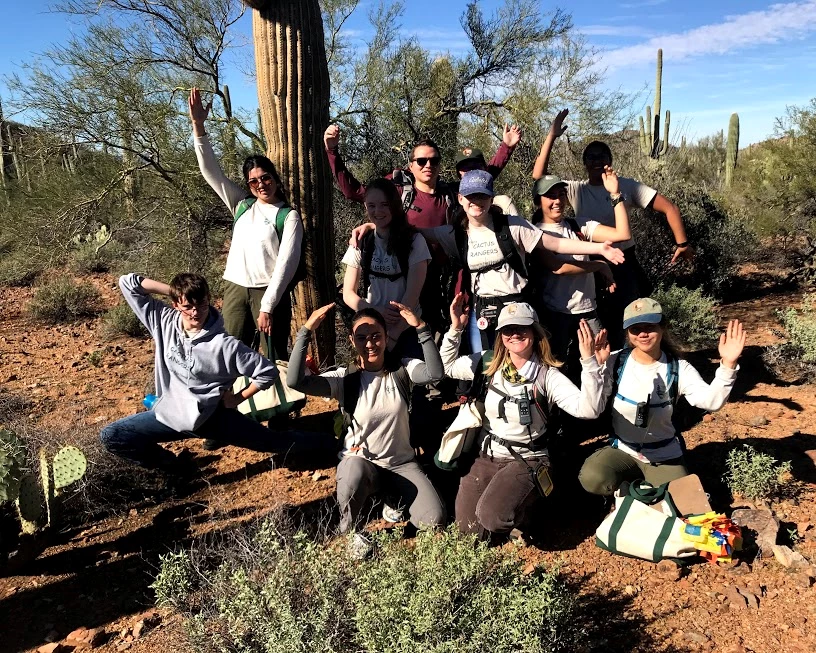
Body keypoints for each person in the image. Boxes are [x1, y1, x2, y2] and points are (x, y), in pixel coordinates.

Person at [350, 170, 626, 353]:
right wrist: (373, 224)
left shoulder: (513, 226)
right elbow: (408, 230)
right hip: (483, 311)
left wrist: (598, 248)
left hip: (516, 305)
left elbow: (553, 243)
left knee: (526, 365)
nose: (476, 202)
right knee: (484, 365)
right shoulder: (454, 233)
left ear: (491, 197)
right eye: (470, 196)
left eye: (482, 195)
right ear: (460, 199)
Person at [99, 273, 325, 491]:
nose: (196, 312)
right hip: (169, 415)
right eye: (188, 307)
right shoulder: (163, 321)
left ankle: (337, 445)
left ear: (209, 300)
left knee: (273, 443)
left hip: (212, 418)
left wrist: (238, 398)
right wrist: (177, 291)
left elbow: (267, 372)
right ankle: (177, 468)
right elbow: (128, 283)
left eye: (202, 304)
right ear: (176, 304)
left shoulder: (224, 345)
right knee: (113, 435)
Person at [440, 297, 608, 541]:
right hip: (486, 456)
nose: (514, 334)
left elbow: (589, 409)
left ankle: (529, 513)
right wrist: (456, 328)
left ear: (535, 332)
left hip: (527, 458)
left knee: (493, 518)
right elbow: (448, 366)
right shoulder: (487, 363)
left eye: (522, 328)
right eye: (508, 329)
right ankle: (505, 507)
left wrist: (590, 363)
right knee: (469, 534)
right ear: (500, 335)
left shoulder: (547, 375)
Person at [286, 302, 446, 556]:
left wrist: (421, 328)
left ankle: (391, 498)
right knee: (351, 468)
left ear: (385, 336)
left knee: (434, 518)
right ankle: (351, 530)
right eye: (362, 338)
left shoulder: (402, 369)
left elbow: (435, 373)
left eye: (375, 336)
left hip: (401, 463)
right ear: (352, 340)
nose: (369, 344)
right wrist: (306, 331)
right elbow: (296, 381)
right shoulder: (344, 379)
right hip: (362, 462)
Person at [324, 124, 519, 330]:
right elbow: (355, 191)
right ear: (410, 166)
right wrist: (332, 151)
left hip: (445, 276)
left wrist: (505, 148)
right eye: (421, 161)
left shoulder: (452, 194)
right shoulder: (399, 193)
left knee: (447, 328)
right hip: (410, 278)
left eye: (434, 160)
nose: (428, 165)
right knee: (412, 329)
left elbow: (482, 182)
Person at [533, 109, 694, 347]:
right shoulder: (576, 189)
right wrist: (552, 135)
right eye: (591, 157)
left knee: (627, 315)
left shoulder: (626, 186)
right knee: (596, 319)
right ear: (584, 163)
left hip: (622, 260)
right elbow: (539, 178)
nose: (597, 161)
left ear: (610, 160)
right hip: (591, 258)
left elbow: (669, 208)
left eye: (602, 156)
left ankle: (627, 364)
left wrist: (682, 243)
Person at [579, 298, 746, 496]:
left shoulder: (678, 368)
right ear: (628, 333)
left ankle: (642, 491)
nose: (642, 333)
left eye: (649, 326)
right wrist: (594, 367)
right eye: (635, 329)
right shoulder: (615, 361)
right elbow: (592, 406)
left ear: (662, 327)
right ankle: (631, 492)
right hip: (623, 450)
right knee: (593, 477)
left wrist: (728, 364)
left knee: (682, 504)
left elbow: (711, 402)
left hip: (663, 455)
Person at [189, 88, 302, 361]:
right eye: (253, 181)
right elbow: (210, 172)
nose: (261, 184)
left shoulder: (287, 216)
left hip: (269, 291)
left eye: (265, 178)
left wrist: (267, 306)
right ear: (248, 185)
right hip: (236, 289)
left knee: (275, 358)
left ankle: (281, 404)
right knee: (231, 354)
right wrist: (198, 126)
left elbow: (286, 266)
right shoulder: (242, 205)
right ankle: (235, 404)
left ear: (274, 177)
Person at [530, 171, 630, 383]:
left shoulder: (579, 226)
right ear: (538, 202)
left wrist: (616, 195)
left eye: (560, 195)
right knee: (555, 365)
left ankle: (599, 408)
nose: (557, 201)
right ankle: (555, 411)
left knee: (600, 360)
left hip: (587, 309)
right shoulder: (534, 233)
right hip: (556, 313)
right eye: (550, 196)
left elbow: (622, 234)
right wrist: (598, 265)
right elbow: (559, 267)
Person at [340, 178, 429, 354]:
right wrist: (374, 310)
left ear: (394, 205)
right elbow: (348, 294)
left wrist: (393, 335)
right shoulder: (361, 242)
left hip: (406, 329)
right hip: (372, 331)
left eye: (384, 204)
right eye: (371, 205)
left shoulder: (414, 241)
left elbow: (412, 295)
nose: (377, 211)